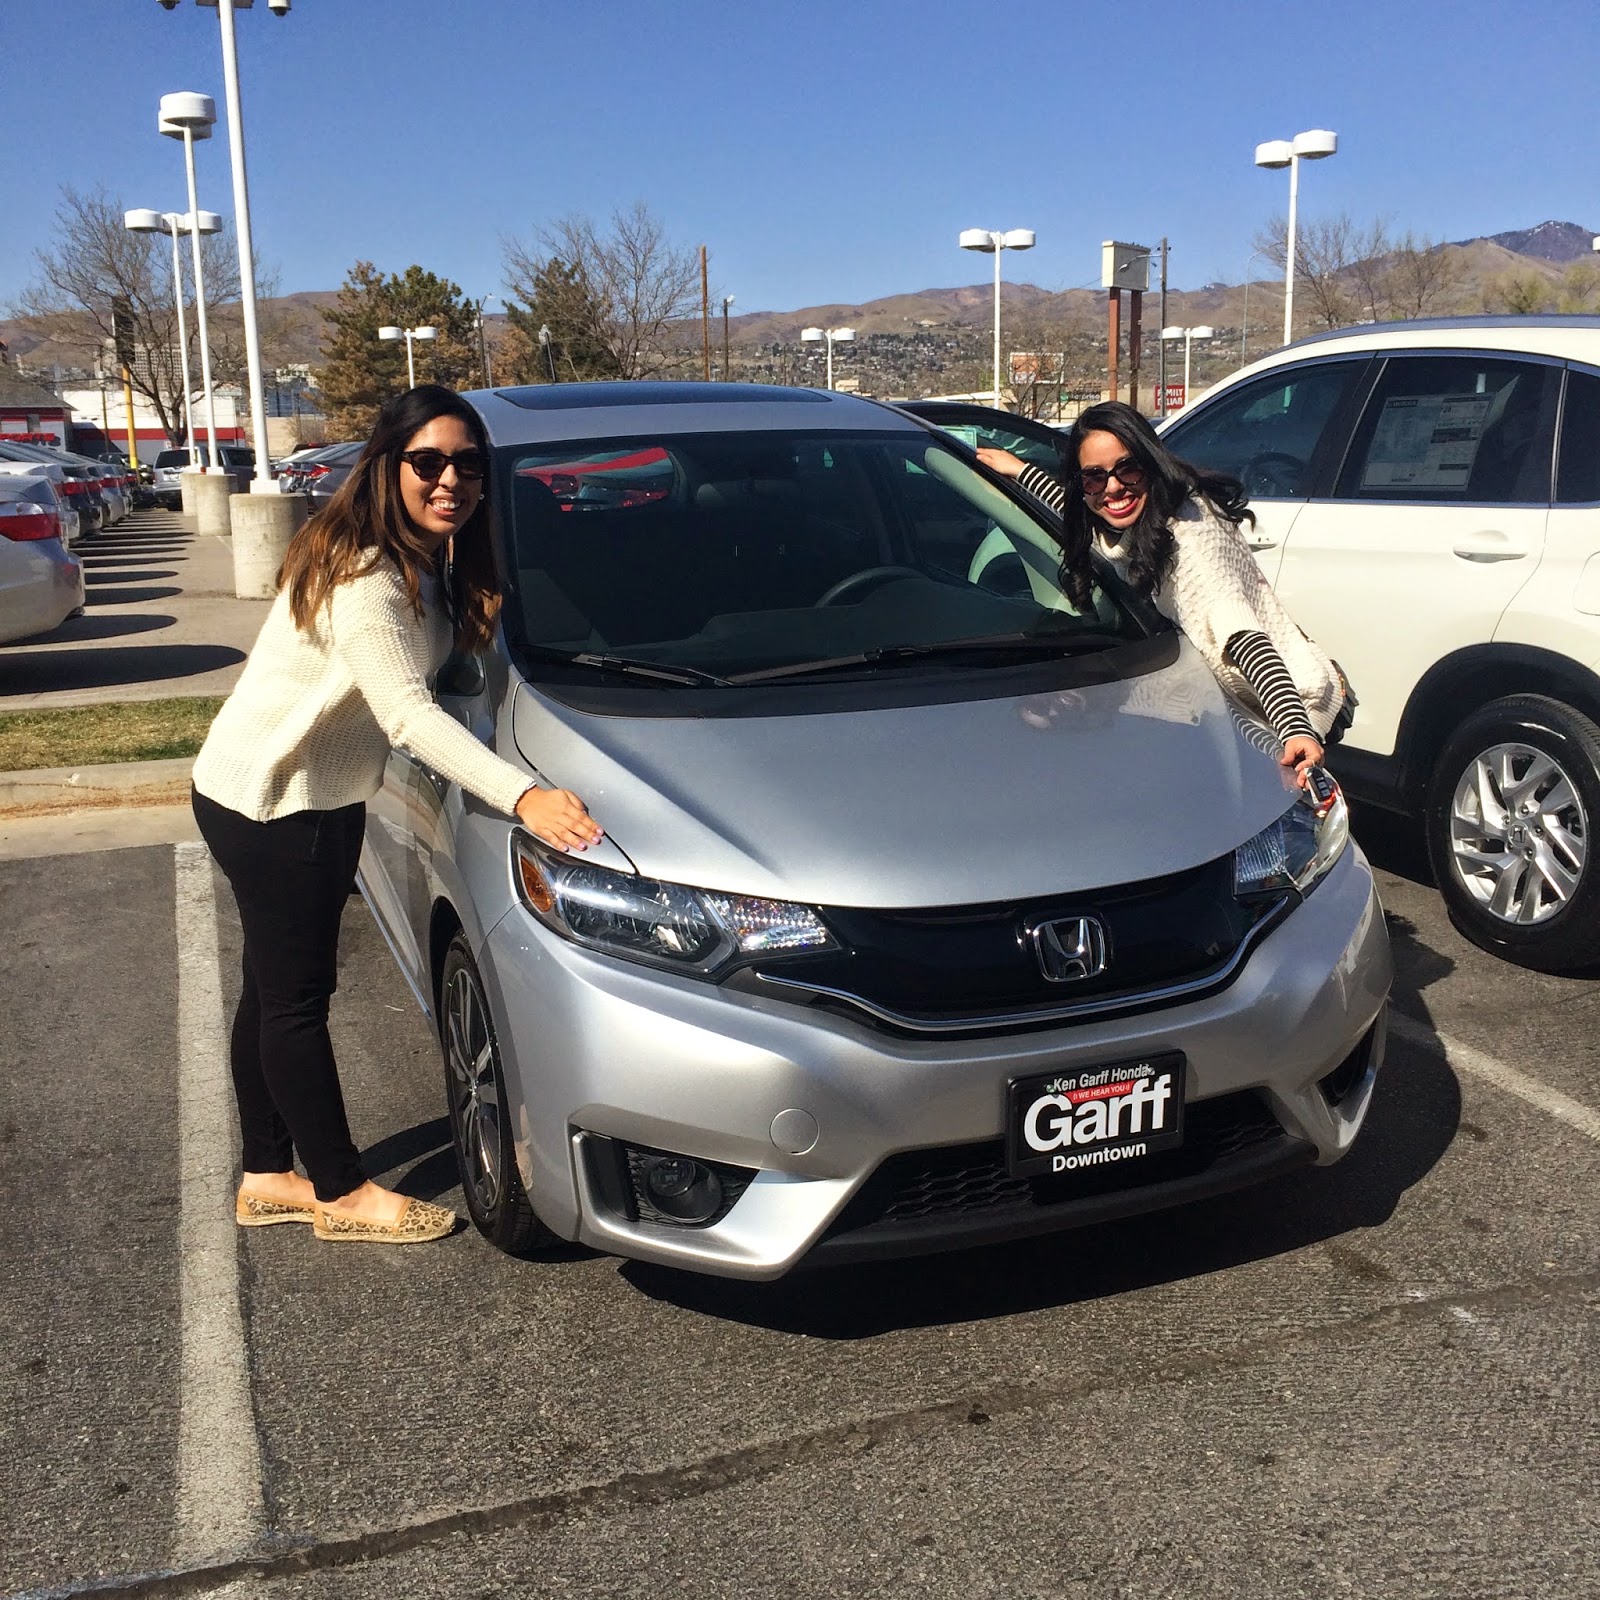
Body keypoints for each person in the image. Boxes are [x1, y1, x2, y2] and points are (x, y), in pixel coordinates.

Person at [191, 384, 604, 1245]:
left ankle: (266, 1176)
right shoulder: (367, 575)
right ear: (387, 465)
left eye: (468, 464)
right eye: (429, 461)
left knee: (271, 988)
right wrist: (526, 795)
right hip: (276, 800)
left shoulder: (421, 557)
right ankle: (340, 1192)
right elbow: (408, 718)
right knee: (295, 1002)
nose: (451, 480)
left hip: (309, 792)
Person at [977, 400, 1347, 784]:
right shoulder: (1128, 520)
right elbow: (1082, 512)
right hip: (1238, 707)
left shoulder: (1191, 543)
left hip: (1292, 699)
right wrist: (1020, 470)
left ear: (1151, 464)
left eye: (1128, 468)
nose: (1113, 487)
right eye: (1094, 477)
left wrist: (1294, 727)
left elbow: (1244, 638)